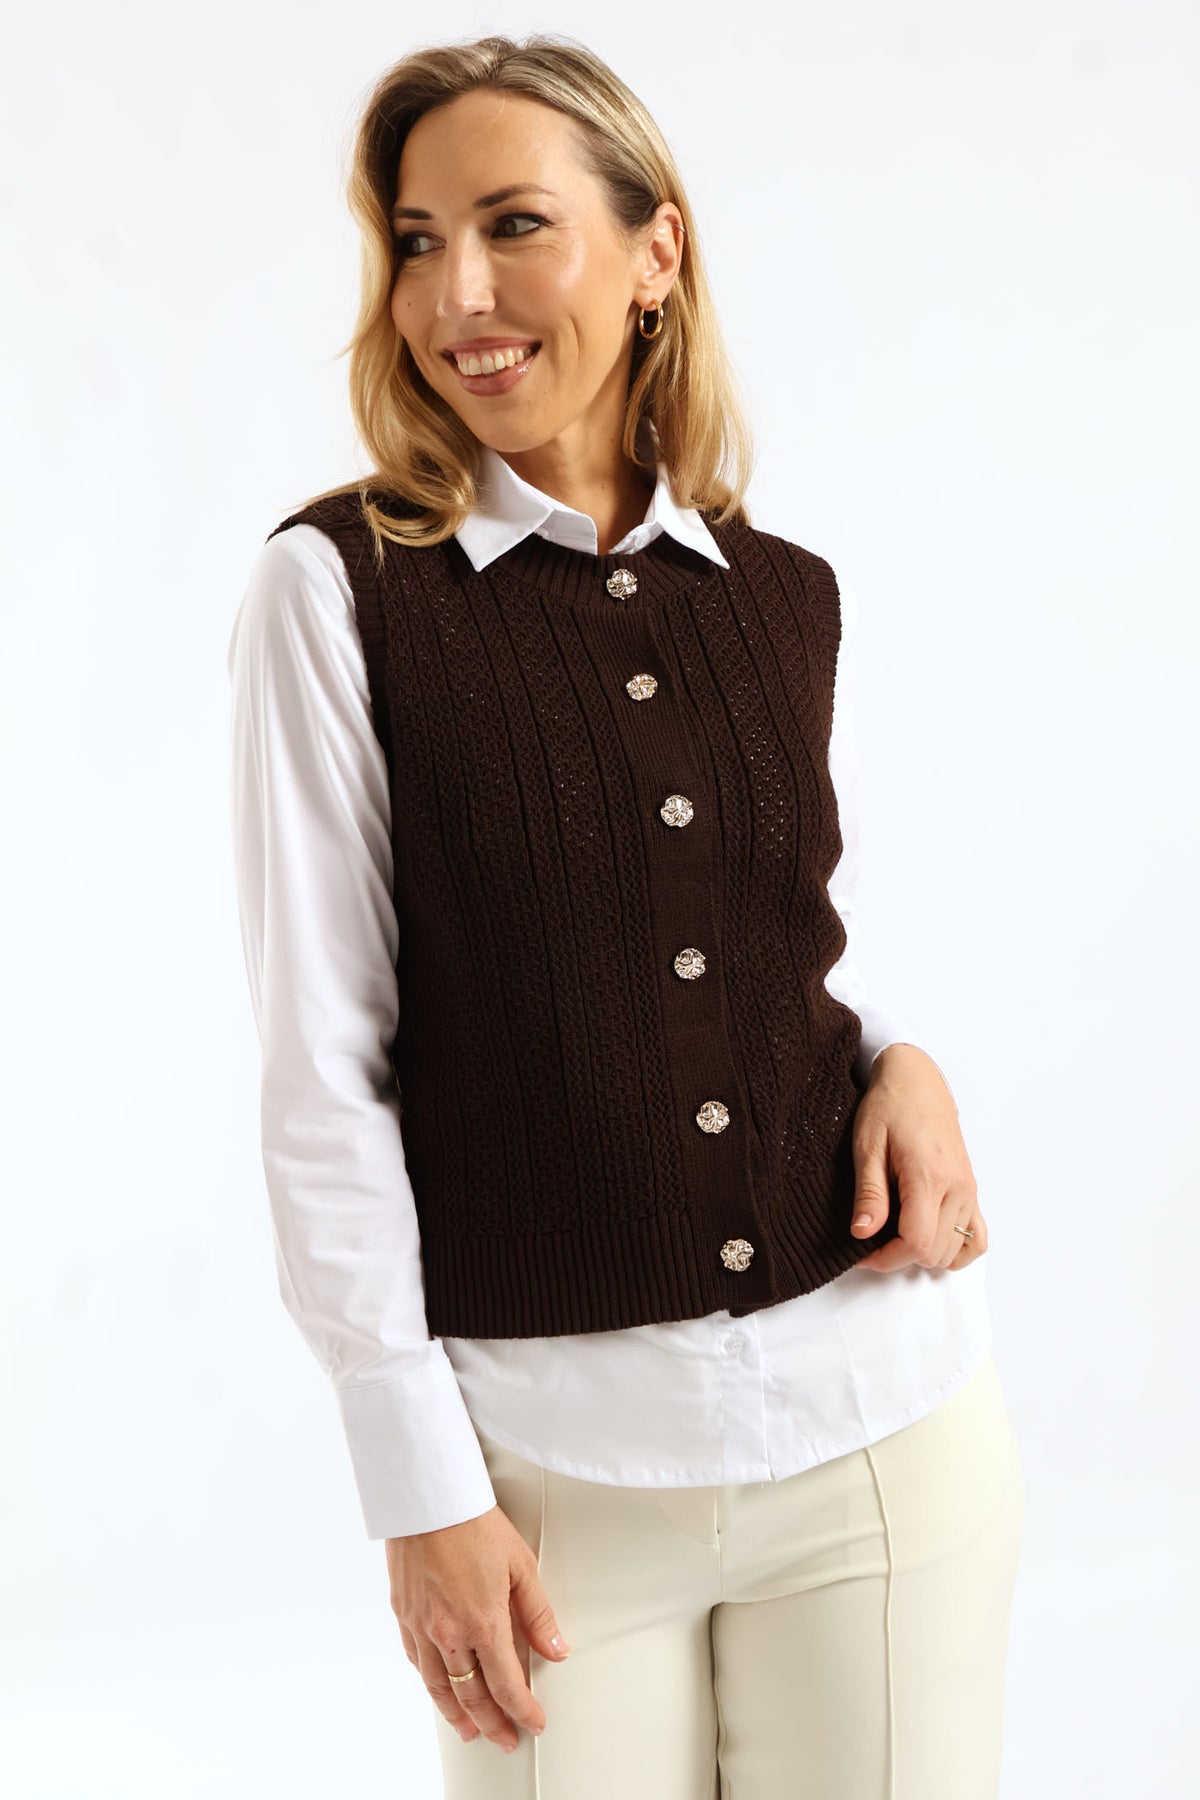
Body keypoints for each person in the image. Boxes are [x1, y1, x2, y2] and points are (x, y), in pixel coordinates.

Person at [226, 32, 1024, 1800]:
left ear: (656, 250)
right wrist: (419, 1492)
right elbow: (322, 1073)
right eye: (416, 242)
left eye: (514, 225)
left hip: (883, 1435)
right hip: (552, 1481)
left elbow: (781, 937)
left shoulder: (782, 595)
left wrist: (903, 1060)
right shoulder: (339, 592)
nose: (458, 294)